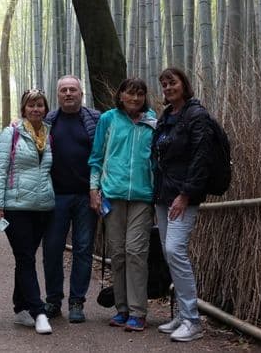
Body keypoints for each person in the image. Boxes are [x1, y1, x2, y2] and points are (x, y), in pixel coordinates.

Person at [88, 77, 157, 333]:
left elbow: (156, 160)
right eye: (130, 93)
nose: (135, 98)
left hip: (142, 195)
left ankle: (138, 311)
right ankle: (122, 309)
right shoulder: (108, 119)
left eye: (140, 94)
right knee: (117, 253)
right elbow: (96, 157)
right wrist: (94, 188)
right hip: (112, 194)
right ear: (121, 95)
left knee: (136, 251)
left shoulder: (152, 121)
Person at [0, 89, 55, 335]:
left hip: (42, 206)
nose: (36, 109)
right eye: (31, 105)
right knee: (26, 257)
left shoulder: (48, 134)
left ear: (46, 109)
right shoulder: (11, 133)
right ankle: (38, 311)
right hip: (16, 207)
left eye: (40, 105)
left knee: (24, 258)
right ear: (23, 109)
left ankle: (20, 308)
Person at [151, 68, 211, 342]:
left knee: (175, 249)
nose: (167, 87)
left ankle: (192, 320)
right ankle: (182, 313)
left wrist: (186, 194)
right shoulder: (167, 117)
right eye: (163, 83)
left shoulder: (196, 116)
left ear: (184, 84)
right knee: (168, 252)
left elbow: (201, 157)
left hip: (183, 196)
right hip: (164, 194)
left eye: (172, 82)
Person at [42, 75, 100, 323]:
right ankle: (54, 300)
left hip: (87, 196)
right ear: (57, 95)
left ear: (81, 93)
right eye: (63, 90)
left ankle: (77, 301)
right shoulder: (47, 121)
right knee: (52, 249)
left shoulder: (96, 120)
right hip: (55, 196)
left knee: (84, 249)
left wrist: (98, 189)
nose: (68, 93)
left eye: (72, 90)